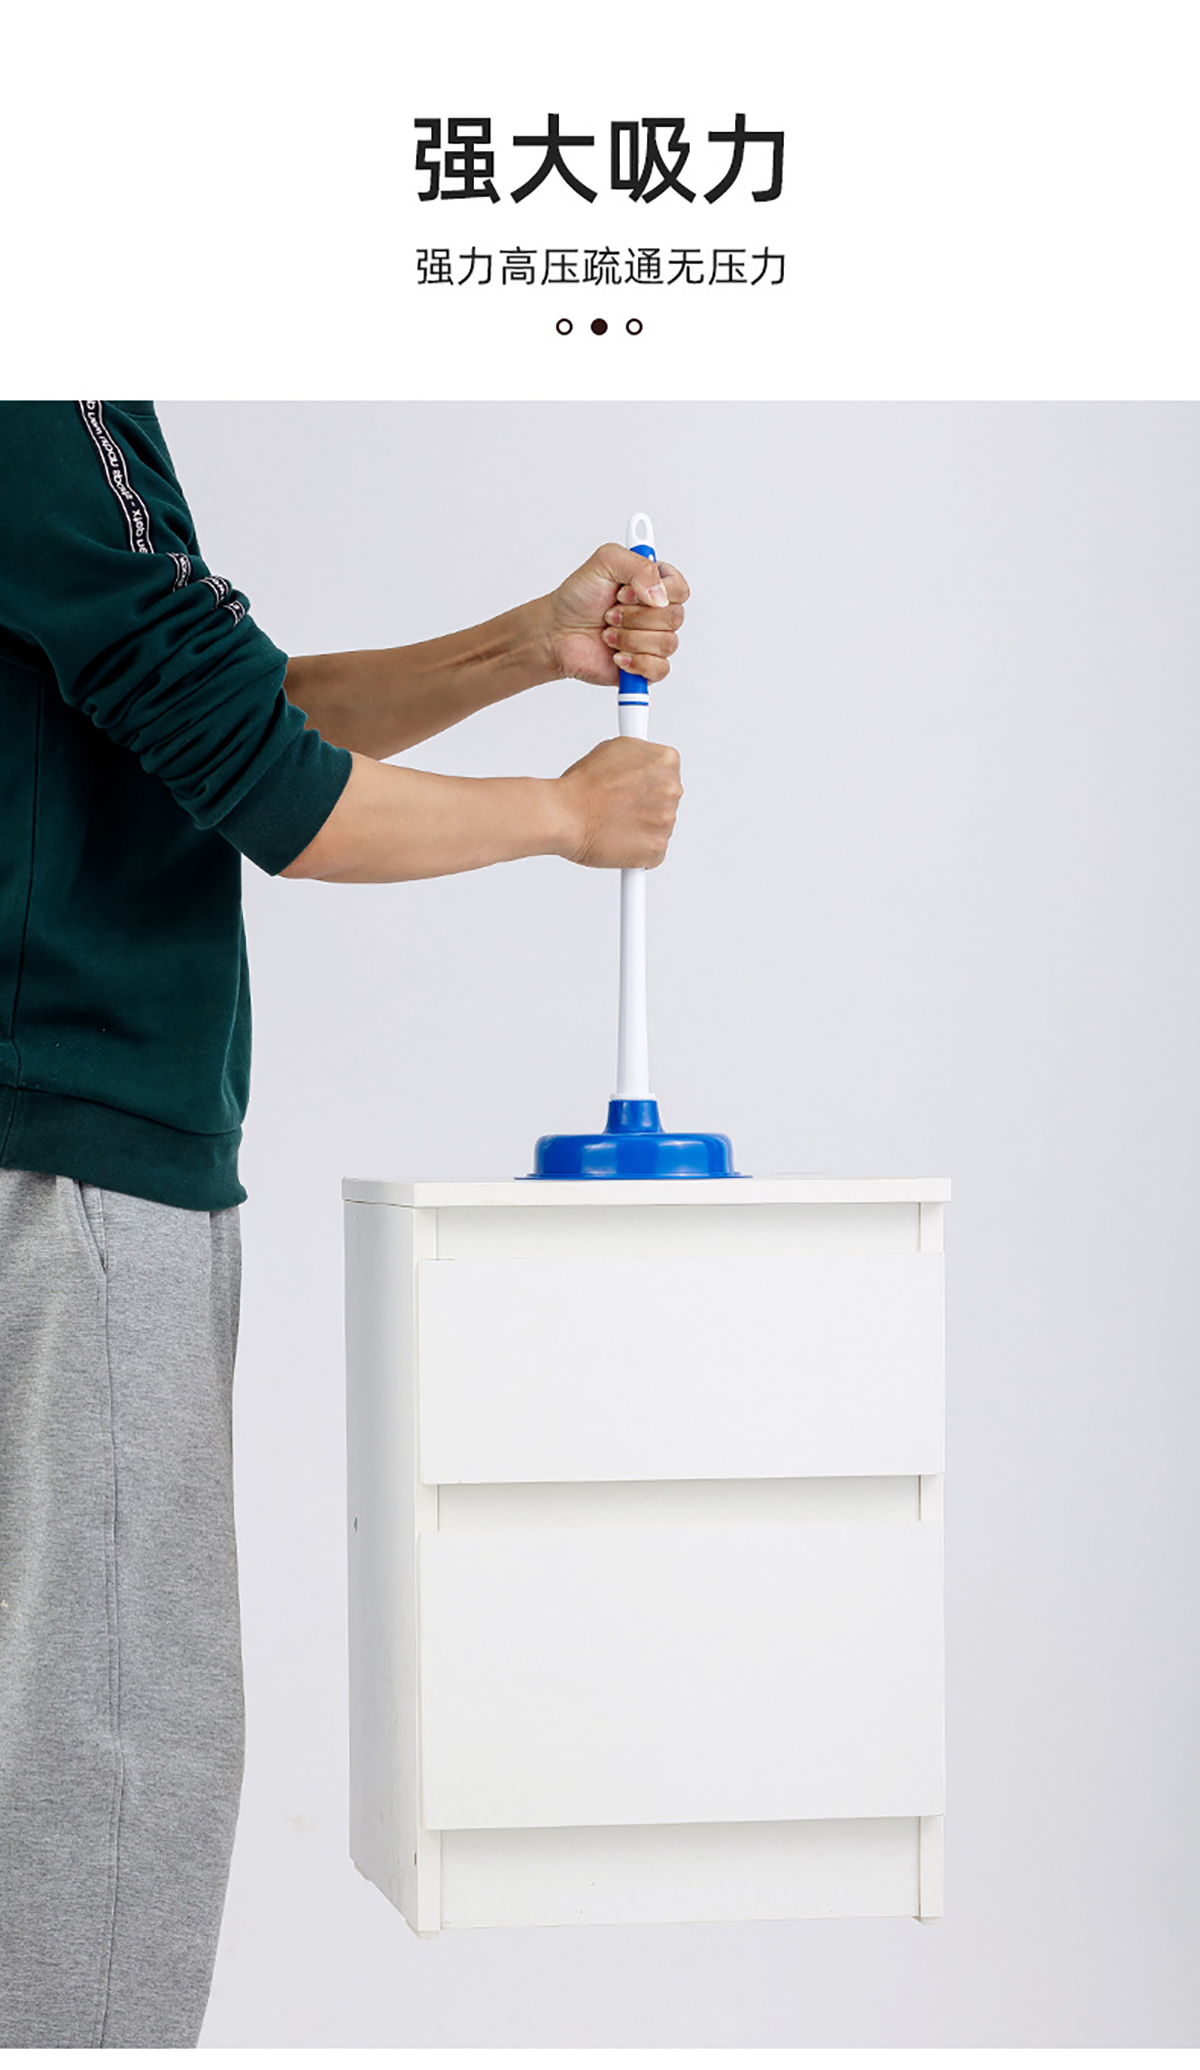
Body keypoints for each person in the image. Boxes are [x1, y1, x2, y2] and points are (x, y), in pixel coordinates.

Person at [0, 400, 688, 2047]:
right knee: (112, 1757)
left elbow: (219, 712)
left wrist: (526, 645)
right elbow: (273, 790)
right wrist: (564, 815)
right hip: (69, 1146)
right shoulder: (39, 393)